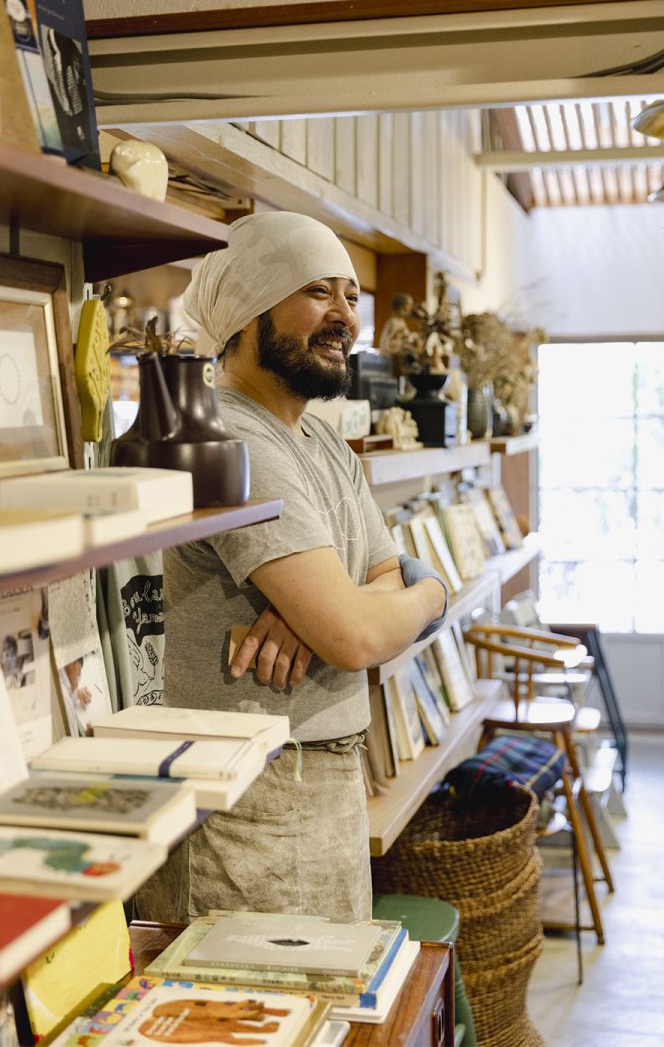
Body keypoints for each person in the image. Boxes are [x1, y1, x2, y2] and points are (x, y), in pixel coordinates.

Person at [134, 211, 448, 926]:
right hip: (252, 802)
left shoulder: (323, 442)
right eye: (317, 292)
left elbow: (377, 586)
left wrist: (356, 599)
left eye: (350, 295)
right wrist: (431, 591)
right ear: (247, 314)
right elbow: (361, 635)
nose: (344, 316)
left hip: (323, 778)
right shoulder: (229, 438)